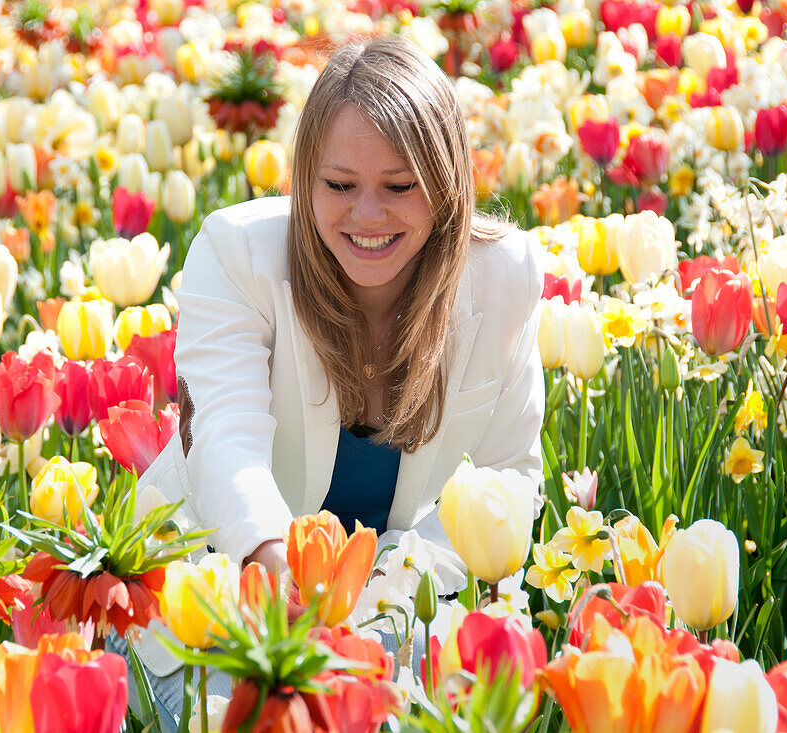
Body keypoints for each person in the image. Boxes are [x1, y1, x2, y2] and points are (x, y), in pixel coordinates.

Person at [123, 34, 546, 726]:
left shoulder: (503, 278)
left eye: (400, 186)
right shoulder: (238, 257)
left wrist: (376, 614)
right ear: (304, 178)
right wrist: (283, 586)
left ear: (445, 181)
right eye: (340, 186)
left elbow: (509, 476)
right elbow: (225, 444)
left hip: (397, 622)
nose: (368, 216)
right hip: (207, 608)